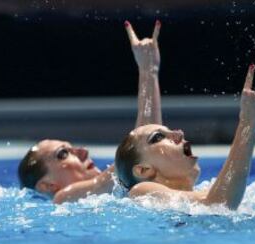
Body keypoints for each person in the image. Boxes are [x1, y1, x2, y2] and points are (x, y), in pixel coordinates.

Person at [18, 20, 163, 204]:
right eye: (63, 153)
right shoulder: (63, 198)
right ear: (47, 185)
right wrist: (148, 69)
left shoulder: (107, 196)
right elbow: (144, 147)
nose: (83, 151)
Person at [115, 64, 255, 210]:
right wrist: (247, 124)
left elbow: (220, 199)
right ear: (143, 170)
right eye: (158, 137)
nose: (178, 133)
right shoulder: (141, 192)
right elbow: (220, 204)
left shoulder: (200, 194)